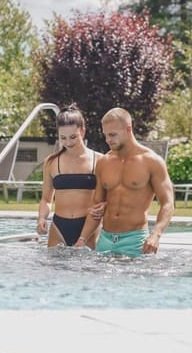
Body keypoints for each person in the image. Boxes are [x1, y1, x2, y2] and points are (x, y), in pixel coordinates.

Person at [75, 107, 174, 257]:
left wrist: (156, 235)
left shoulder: (152, 161)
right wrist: (82, 239)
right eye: (106, 135)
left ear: (128, 129)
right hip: (105, 240)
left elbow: (168, 203)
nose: (108, 140)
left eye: (113, 135)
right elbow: (95, 208)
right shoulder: (104, 162)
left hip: (135, 241)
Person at [36, 105, 102, 248]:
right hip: (59, 227)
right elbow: (46, 199)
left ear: (82, 132)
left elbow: (110, 196)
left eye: (73, 137)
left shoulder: (99, 160)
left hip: (88, 228)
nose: (68, 143)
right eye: (63, 138)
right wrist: (41, 218)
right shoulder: (51, 162)